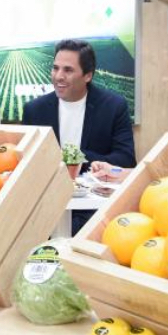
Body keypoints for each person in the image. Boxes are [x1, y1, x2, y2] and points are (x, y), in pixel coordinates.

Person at [23, 39, 135, 234]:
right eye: (55, 68)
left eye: (68, 70)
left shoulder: (113, 106)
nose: (58, 76)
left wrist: (76, 158)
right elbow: (25, 161)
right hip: (44, 208)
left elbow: (125, 158)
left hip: (92, 210)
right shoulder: (34, 110)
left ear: (88, 76)